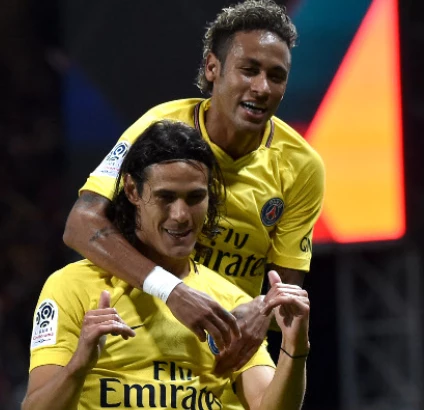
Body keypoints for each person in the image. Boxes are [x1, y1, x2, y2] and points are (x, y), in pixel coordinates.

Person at [64, 0, 323, 379]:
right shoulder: (159, 127)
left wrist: (262, 311)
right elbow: (81, 223)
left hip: (224, 356)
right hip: (136, 341)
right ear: (212, 67)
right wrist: (172, 290)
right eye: (249, 70)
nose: (262, 87)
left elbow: (284, 295)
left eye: (276, 76)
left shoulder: (301, 166)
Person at [23, 120, 311, 410]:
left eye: (195, 197)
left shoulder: (229, 300)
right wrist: (79, 365)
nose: (181, 215)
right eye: (165, 197)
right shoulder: (72, 287)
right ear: (132, 190)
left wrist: (294, 347)